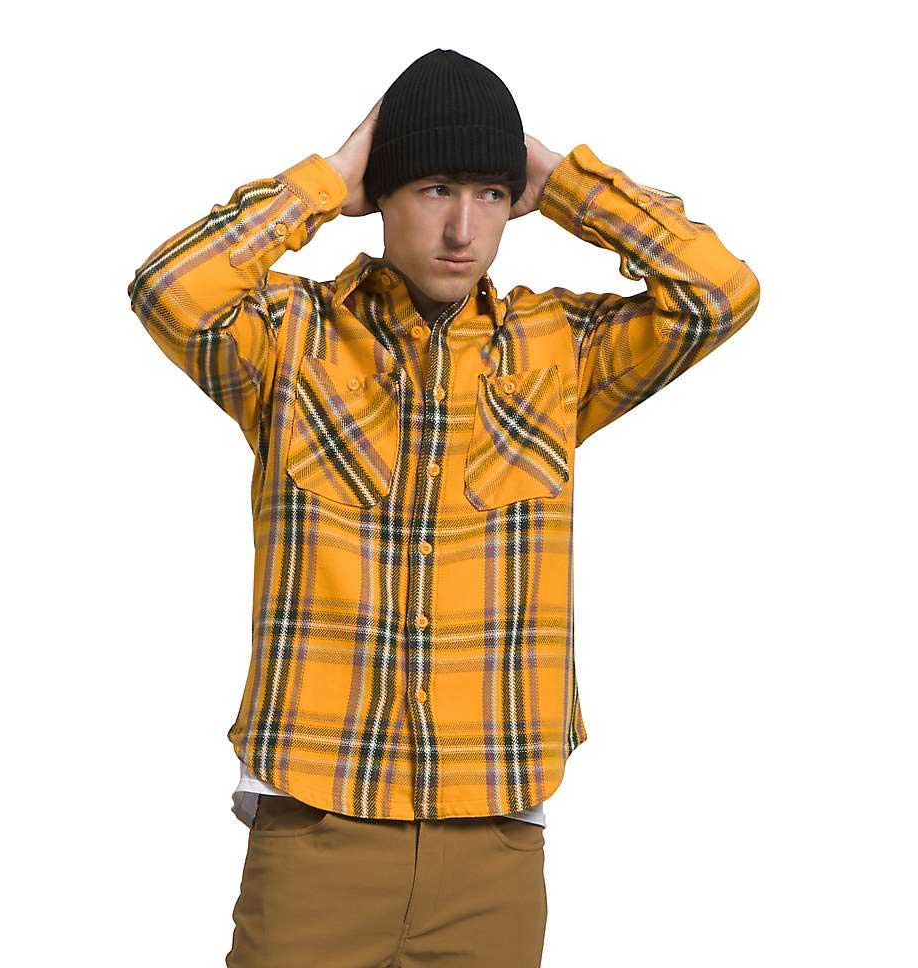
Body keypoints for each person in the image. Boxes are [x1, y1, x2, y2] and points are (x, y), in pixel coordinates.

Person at [128, 48, 760, 967]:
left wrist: (566, 183)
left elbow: (719, 292)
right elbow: (168, 289)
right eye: (434, 189)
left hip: (492, 841)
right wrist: (324, 180)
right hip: (315, 825)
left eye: (492, 194)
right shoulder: (287, 340)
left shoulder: (559, 348)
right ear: (382, 195)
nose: (465, 228)